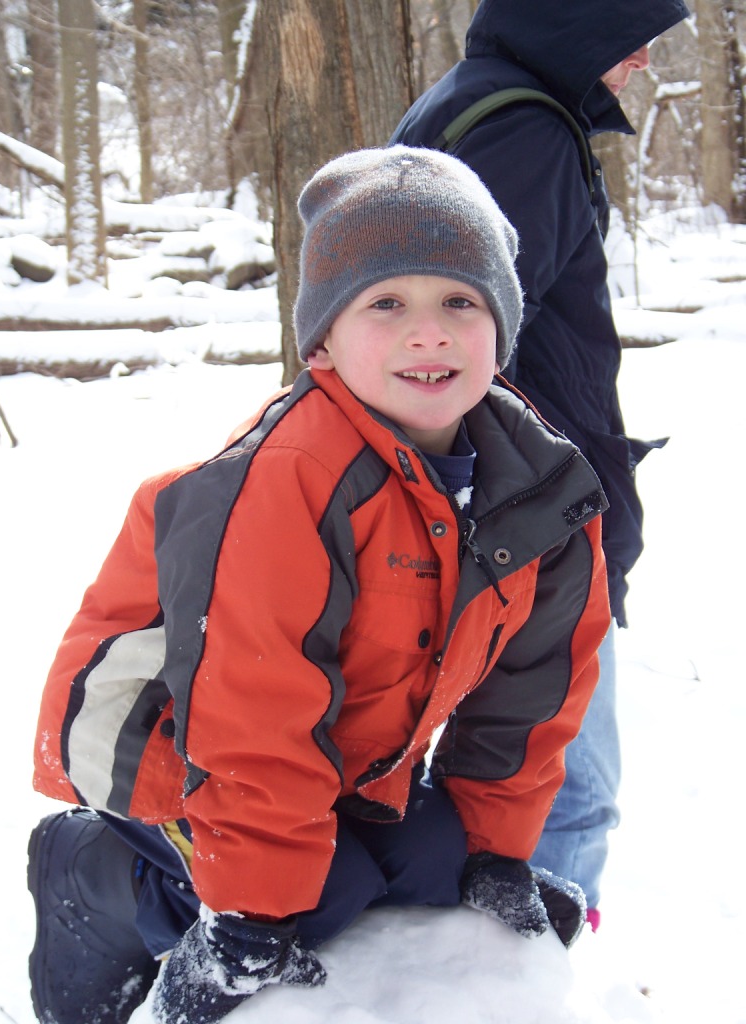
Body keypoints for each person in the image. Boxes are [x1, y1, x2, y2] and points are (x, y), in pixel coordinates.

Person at [27, 146, 611, 1024]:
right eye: (387, 303)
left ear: (503, 322)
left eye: (460, 300)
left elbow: (537, 687)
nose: (430, 332)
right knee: (310, 901)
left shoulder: (535, 483)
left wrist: (495, 851)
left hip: (336, 754)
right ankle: (88, 869)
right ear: (325, 338)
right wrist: (252, 913)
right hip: (167, 739)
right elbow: (249, 700)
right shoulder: (290, 477)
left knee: (436, 871)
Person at [391, 0, 690, 928]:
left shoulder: (474, 104)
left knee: (514, 783)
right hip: (528, 518)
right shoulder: (524, 130)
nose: (641, 57)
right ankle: (530, 984)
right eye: (628, 29)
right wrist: (536, 508)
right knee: (566, 795)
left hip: (499, 504)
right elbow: (463, 343)